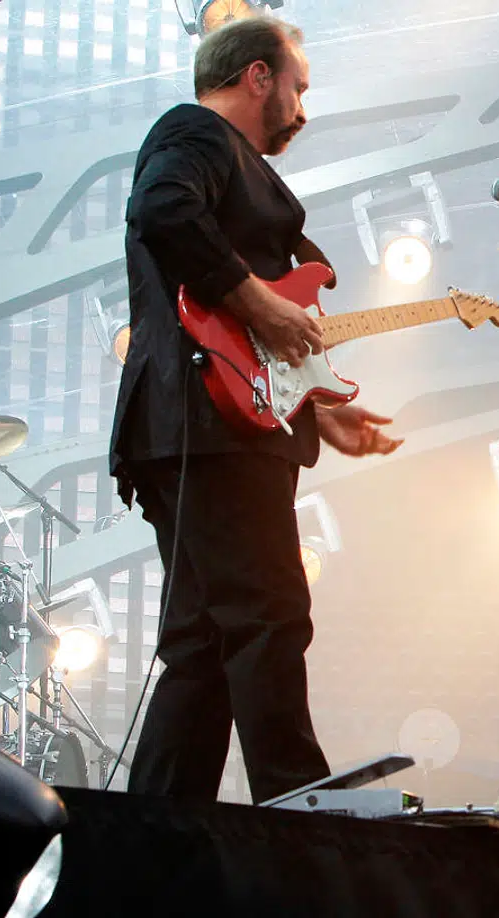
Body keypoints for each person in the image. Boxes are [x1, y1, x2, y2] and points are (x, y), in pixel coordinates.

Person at [110, 18, 402, 803]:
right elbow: (163, 211)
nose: (305, 106)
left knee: (203, 643)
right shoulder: (196, 134)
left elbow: (257, 332)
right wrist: (261, 305)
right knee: (270, 613)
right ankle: (300, 807)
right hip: (207, 423)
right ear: (258, 77)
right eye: (299, 85)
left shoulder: (230, 162)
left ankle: (158, 839)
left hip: (212, 422)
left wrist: (319, 406)